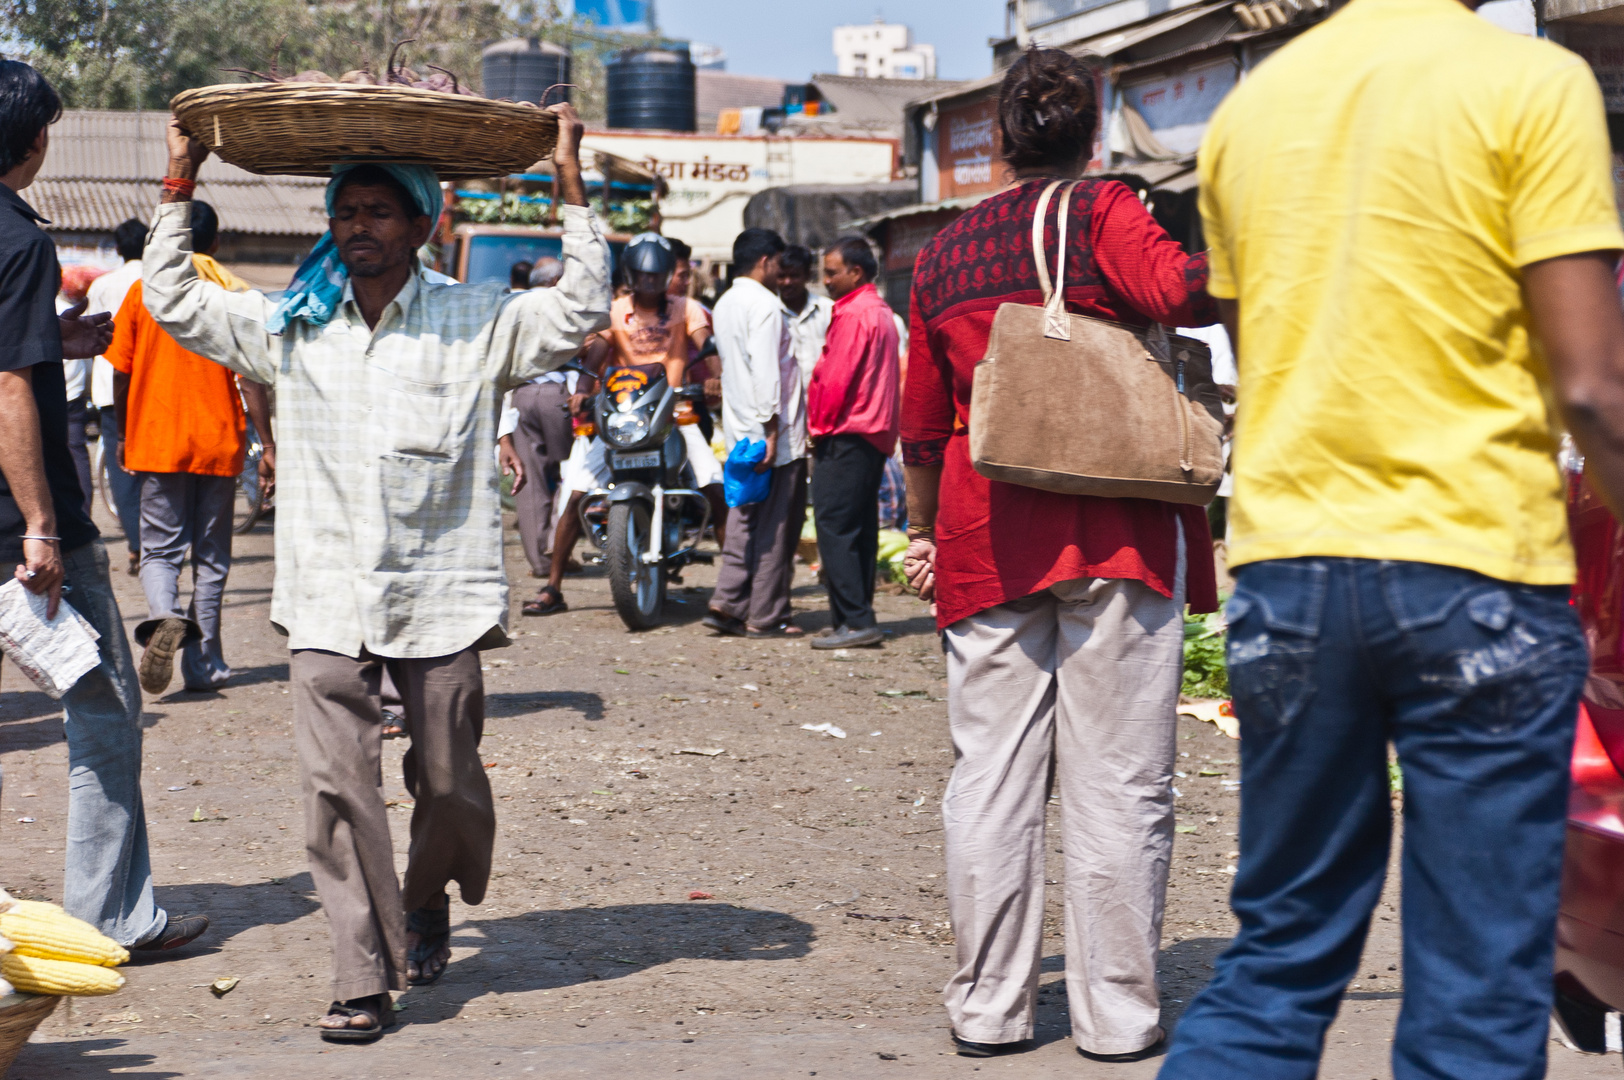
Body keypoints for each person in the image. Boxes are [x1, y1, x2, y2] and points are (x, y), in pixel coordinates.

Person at [1158, 1, 1624, 1076]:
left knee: (1277, 959)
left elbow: (1260, 348)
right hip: (1474, 570)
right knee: (1475, 986)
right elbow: (1593, 390)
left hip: (1287, 570)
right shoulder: (1529, 83)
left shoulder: (1249, 108)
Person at [145, 103, 609, 1043]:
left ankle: (428, 892)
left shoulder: (475, 320)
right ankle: (362, 976)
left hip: (438, 594)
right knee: (335, 791)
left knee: (448, 780)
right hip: (322, 596)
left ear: (419, 225)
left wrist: (568, 183)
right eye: (346, 211)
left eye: (379, 212)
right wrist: (178, 182)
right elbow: (174, 299)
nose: (360, 226)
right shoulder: (289, 324)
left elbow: (580, 309)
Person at [900, 47, 1219, 1061]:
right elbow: (1181, 294)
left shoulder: (943, 253)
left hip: (981, 535)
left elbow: (918, 426)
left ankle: (986, 1011)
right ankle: (1115, 1017)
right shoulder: (1106, 212)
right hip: (1115, 531)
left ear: (996, 135)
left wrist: (916, 530)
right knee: (1119, 783)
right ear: (1096, 128)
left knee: (988, 779)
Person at [0, 59, 210, 956]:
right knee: (105, 711)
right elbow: (7, 387)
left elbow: (19, 358)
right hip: (27, 528)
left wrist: (60, 340)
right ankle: (110, 916)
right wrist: (43, 523)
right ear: (38, 138)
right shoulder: (18, 240)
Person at [107, 199, 272, 695]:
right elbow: (252, 378)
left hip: (158, 439)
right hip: (219, 441)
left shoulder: (145, 292)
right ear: (216, 242)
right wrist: (267, 442)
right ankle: (206, 665)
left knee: (159, 550)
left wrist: (122, 431)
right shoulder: (233, 293)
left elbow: (121, 369)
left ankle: (163, 616)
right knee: (212, 557)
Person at [527, 234, 723, 615]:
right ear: (631, 274)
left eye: (657, 275)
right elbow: (595, 355)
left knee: (712, 480)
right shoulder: (614, 311)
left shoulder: (688, 308)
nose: (650, 282)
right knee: (579, 490)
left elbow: (706, 344)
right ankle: (553, 587)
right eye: (643, 275)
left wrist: (715, 376)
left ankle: (734, 585)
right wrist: (582, 391)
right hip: (626, 414)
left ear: (667, 275)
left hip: (674, 411)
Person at [704, 227, 808, 639]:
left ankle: (728, 602)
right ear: (765, 261)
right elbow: (767, 373)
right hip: (770, 437)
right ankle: (765, 614)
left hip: (739, 431)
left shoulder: (726, 302)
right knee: (777, 526)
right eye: (778, 264)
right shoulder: (765, 305)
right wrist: (771, 431)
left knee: (745, 518)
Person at [807, 236, 900, 650]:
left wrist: (818, 428)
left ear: (855, 272)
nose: (825, 280)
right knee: (858, 527)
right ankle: (854, 616)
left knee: (834, 526)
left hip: (846, 432)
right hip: (873, 434)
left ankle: (857, 620)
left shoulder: (855, 313)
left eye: (831, 272)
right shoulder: (880, 312)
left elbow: (835, 380)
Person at [505, 255, 572, 582]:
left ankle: (540, 562)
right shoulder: (558, 303)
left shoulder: (511, 305)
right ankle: (555, 544)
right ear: (554, 280)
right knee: (571, 472)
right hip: (554, 394)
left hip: (519, 397)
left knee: (530, 480)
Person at [87, 217, 147, 572]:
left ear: (118, 249)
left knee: (121, 469)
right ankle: (156, 543)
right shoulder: (156, 281)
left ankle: (136, 546)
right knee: (151, 469)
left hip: (112, 386)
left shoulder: (103, 285)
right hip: (149, 385)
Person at [779, 244, 833, 392]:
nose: (787, 282)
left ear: (807, 275)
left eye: (794, 276)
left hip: (821, 402)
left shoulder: (828, 310)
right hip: (785, 406)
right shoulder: (770, 313)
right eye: (781, 276)